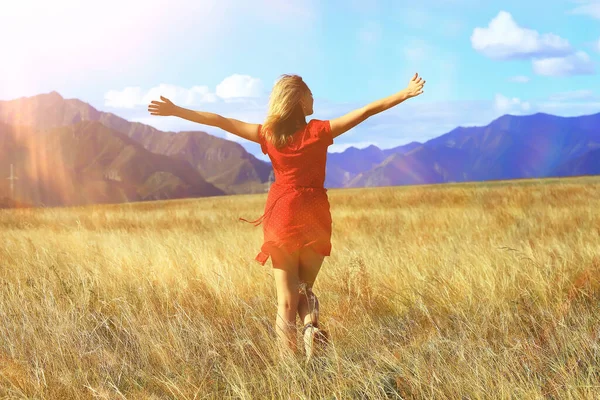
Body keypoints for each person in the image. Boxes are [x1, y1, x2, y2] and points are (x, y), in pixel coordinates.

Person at [148, 73, 426, 362]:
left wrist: (176, 111)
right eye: (310, 94)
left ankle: (290, 372)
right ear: (299, 100)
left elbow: (220, 120)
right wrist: (404, 93)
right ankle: (310, 327)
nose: (314, 98)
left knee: (285, 300)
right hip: (314, 215)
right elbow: (366, 111)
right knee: (305, 289)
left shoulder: (268, 135)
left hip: (281, 215)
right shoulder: (319, 131)